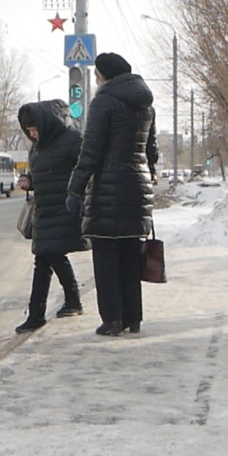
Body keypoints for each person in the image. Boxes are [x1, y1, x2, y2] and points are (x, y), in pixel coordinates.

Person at [65, 52, 159, 338]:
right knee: (131, 257)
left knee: (106, 258)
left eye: (96, 75)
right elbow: (151, 150)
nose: (95, 80)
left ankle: (112, 320)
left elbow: (90, 152)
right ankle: (133, 318)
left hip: (108, 188)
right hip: (138, 187)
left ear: (104, 75)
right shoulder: (146, 105)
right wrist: (146, 177)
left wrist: (75, 188)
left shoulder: (104, 102)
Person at [13, 100, 86, 332]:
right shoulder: (38, 145)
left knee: (48, 257)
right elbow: (40, 173)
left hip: (64, 209)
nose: (33, 135)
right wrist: (29, 181)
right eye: (29, 132)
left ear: (47, 124)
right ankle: (68, 303)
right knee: (47, 259)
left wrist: (79, 196)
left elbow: (86, 167)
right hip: (44, 210)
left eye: (35, 130)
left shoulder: (72, 140)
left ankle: (39, 314)